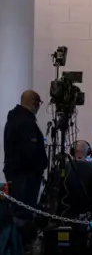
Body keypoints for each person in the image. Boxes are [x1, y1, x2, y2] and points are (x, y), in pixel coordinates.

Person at [3, 90, 47, 223]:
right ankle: (23, 241)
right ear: (34, 103)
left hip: (16, 172)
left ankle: (21, 239)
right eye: (39, 103)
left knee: (19, 209)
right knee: (24, 210)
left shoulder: (14, 119)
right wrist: (41, 165)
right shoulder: (25, 123)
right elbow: (31, 152)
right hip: (25, 175)